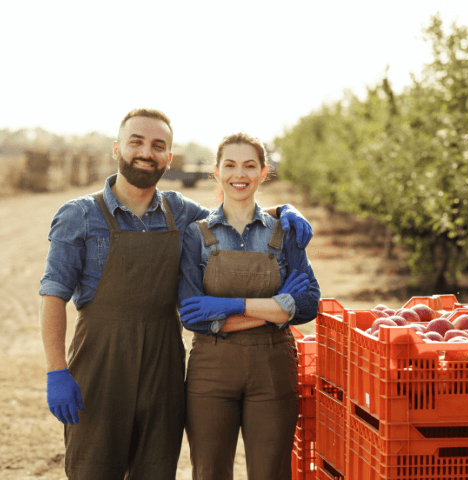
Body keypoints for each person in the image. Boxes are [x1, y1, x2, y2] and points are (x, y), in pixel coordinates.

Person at [38, 109, 314, 480]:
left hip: (163, 368)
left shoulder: (178, 211)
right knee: (93, 470)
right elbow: (53, 294)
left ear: (169, 158)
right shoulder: (79, 215)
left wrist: (284, 210)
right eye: (136, 142)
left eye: (158, 145)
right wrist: (57, 370)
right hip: (100, 366)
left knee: (156, 470)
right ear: (117, 148)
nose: (146, 152)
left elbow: (237, 213)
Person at [178, 132, 320, 480]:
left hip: (273, 369)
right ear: (216, 171)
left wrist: (227, 306)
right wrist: (276, 309)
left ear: (262, 172)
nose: (238, 174)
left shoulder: (284, 232)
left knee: (271, 473)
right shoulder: (195, 235)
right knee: (209, 472)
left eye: (249, 165)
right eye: (230, 165)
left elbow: (308, 303)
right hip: (211, 370)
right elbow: (194, 317)